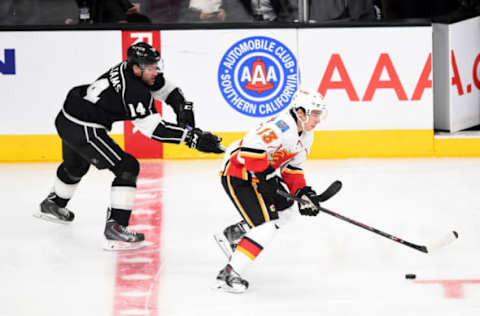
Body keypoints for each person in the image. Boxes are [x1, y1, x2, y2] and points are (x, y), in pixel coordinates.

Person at [35, 42, 224, 251]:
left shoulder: (133, 70)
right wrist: (193, 139)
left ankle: (53, 205)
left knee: (76, 167)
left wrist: (181, 106)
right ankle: (116, 228)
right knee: (127, 167)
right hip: (83, 127)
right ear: (136, 68)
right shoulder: (133, 91)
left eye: (156, 65)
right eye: (151, 67)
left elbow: (167, 89)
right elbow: (156, 130)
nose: (156, 71)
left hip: (68, 117)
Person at [213, 89, 328, 293]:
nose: (318, 119)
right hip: (238, 174)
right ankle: (229, 274)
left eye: (320, 114)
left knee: (287, 212)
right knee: (266, 227)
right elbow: (249, 152)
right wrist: (265, 176)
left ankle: (234, 234)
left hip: (260, 175)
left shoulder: (306, 136)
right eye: (315, 114)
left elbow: (292, 168)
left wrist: (302, 193)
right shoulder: (280, 127)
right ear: (301, 112)